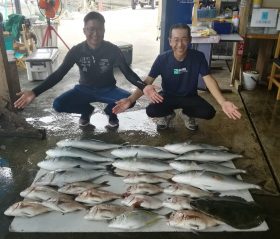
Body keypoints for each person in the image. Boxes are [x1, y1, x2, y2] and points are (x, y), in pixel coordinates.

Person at [13, 11, 158, 129]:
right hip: (83, 89)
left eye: (99, 29)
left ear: (104, 30)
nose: (95, 33)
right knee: (58, 104)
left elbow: (128, 73)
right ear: (84, 30)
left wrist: (144, 87)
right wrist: (34, 92)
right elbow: (59, 74)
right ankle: (86, 111)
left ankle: (111, 112)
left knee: (129, 101)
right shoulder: (76, 51)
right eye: (91, 29)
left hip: (108, 89)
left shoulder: (113, 50)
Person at [113, 23, 242, 131]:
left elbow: (209, 80)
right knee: (151, 110)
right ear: (170, 41)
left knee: (209, 112)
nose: (180, 44)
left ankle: (187, 113)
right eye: (176, 39)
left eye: (184, 39)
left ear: (190, 40)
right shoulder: (162, 59)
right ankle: (168, 114)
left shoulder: (198, 57)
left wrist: (223, 102)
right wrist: (130, 99)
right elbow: (147, 82)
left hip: (190, 97)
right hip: (168, 96)